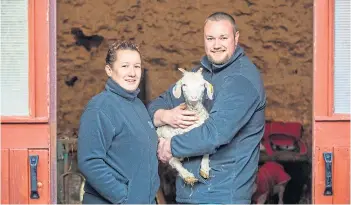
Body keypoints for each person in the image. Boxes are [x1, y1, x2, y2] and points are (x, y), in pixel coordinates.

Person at [147, 12, 266, 204]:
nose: (216, 44)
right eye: (210, 38)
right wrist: (165, 116)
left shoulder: (241, 80)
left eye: (223, 38)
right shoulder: (197, 75)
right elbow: (159, 103)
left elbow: (215, 133)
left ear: (236, 38)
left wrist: (170, 146)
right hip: (190, 192)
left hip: (223, 195)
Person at [77, 41, 160, 204]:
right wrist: (124, 197)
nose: (132, 73)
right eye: (124, 66)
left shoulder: (138, 105)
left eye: (137, 66)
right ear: (109, 70)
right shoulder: (100, 108)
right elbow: (90, 162)